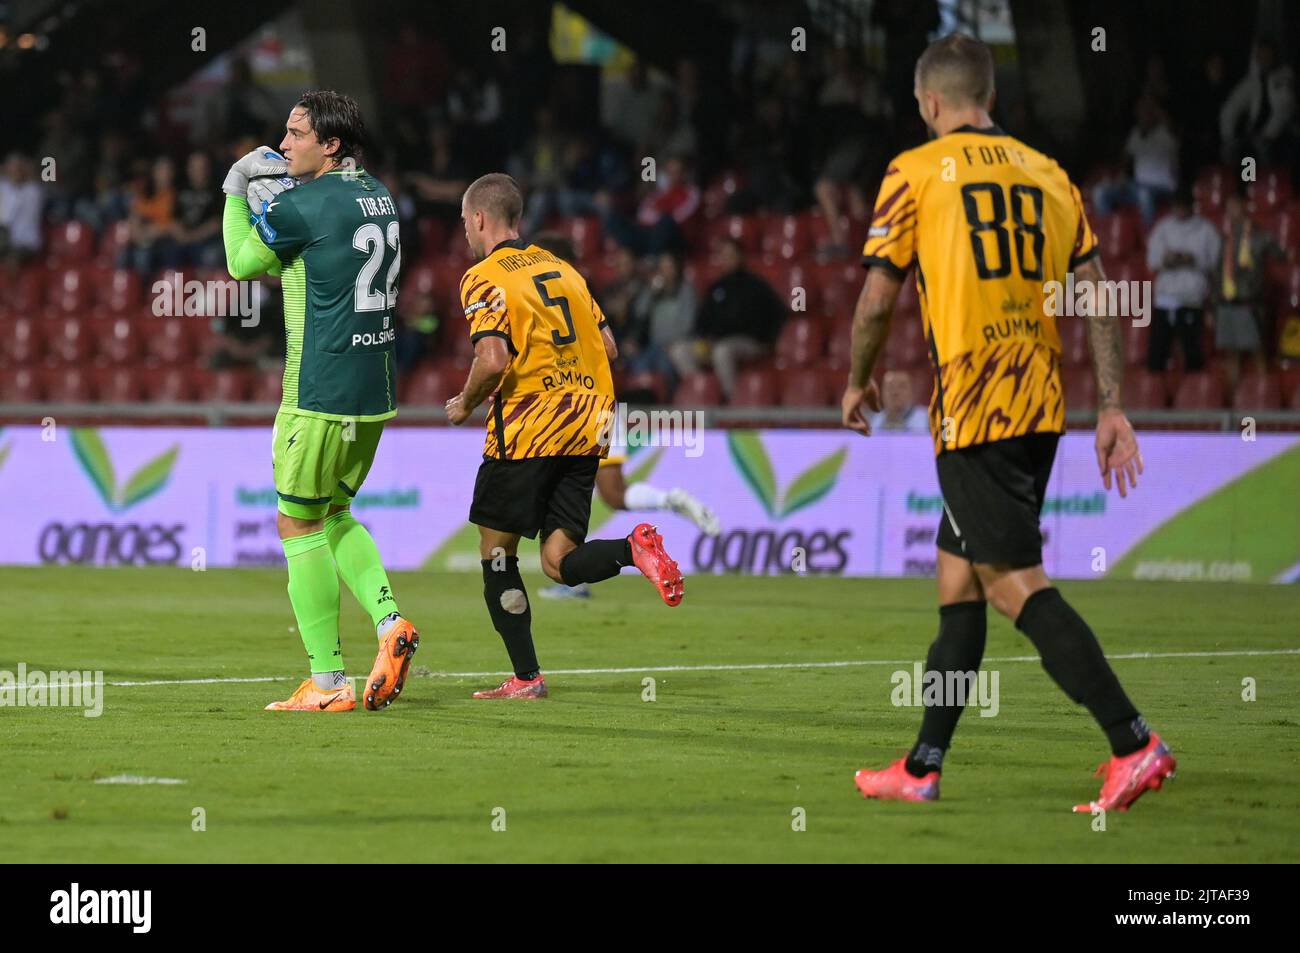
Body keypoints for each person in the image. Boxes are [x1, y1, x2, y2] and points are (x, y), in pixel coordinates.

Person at [841, 34, 1174, 813]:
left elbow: (878, 299)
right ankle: (923, 766)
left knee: (1014, 585)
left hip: (975, 407)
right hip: (1041, 406)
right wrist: (1113, 405)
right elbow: (1098, 297)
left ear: (928, 102)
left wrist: (856, 381)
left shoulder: (915, 171)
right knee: (957, 582)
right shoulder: (1050, 175)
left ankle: (1133, 742)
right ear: (987, 95)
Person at [444, 174, 684, 700]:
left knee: (497, 553)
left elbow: (493, 358)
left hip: (532, 423)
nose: (464, 231)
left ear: (480, 218)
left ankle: (527, 678)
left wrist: (465, 402)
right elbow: (610, 346)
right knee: (558, 561)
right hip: (590, 420)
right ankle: (631, 549)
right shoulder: (565, 270)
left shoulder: (483, 277)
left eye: (465, 221)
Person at [223, 91, 420, 713]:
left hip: (318, 392)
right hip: (374, 391)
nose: (283, 146)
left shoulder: (303, 205)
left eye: (296, 134)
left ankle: (328, 683)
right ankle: (390, 625)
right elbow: (326, 259)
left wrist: (235, 193)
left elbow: (239, 263)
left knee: (296, 522)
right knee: (334, 512)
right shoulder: (382, 196)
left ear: (331, 144)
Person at [523, 234, 720, 602]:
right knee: (612, 493)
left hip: (567, 411)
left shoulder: (549, 296)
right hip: (599, 405)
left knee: (558, 493)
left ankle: (576, 575)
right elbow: (610, 347)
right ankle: (669, 501)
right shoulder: (583, 294)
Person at [669, 237, 786, 398]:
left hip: (749, 342)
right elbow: (703, 319)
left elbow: (777, 313)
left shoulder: (756, 285)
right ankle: (705, 393)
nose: (726, 259)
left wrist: (768, 340)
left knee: (722, 352)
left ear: (741, 256)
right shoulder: (717, 287)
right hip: (715, 342)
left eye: (731, 254)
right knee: (680, 350)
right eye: (723, 255)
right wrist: (704, 338)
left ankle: (732, 400)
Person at [1145, 188, 1220, 373]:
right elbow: (1153, 260)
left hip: (1191, 298)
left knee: (1192, 353)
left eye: (1183, 207)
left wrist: (1192, 259)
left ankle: (1194, 394)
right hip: (1165, 298)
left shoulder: (1206, 229)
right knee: (1157, 354)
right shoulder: (1163, 228)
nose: (1179, 210)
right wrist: (1168, 259)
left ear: (1190, 207)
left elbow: (1215, 262)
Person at [1214, 191, 1282, 394]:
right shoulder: (1226, 239)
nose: (1231, 212)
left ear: (1244, 207)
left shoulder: (1259, 236)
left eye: (1235, 206)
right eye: (1228, 208)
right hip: (1227, 302)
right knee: (1231, 354)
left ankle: (1263, 395)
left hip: (1249, 302)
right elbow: (1218, 272)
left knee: (1256, 351)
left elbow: (1279, 254)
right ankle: (1234, 402)